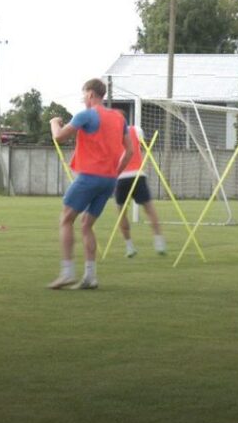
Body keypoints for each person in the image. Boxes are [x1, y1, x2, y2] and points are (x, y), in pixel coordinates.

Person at [47, 79, 133, 290]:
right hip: (108, 180)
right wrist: (115, 173)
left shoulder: (86, 115)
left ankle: (67, 273)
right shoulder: (119, 118)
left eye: (84, 94)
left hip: (89, 177)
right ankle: (90, 277)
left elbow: (59, 137)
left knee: (66, 220)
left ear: (91, 94)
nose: (83, 98)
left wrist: (54, 122)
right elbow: (129, 151)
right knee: (86, 225)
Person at [114, 125, 167, 258]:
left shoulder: (109, 132)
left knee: (121, 212)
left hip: (121, 176)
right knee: (149, 209)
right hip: (137, 175)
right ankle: (159, 242)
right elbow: (141, 145)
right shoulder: (136, 129)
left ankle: (129, 246)